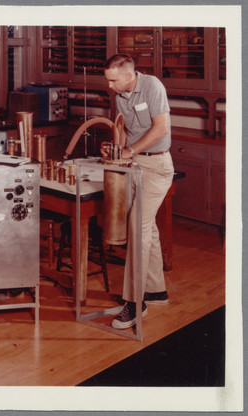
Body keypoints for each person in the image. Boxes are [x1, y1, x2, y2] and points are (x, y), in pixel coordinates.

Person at [102, 54, 174, 329]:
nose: (110, 86)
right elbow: (122, 127)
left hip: (157, 166)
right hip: (133, 165)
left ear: (129, 75)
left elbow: (161, 128)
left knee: (138, 226)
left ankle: (134, 302)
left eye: (113, 80)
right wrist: (116, 149)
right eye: (108, 80)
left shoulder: (153, 86)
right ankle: (156, 291)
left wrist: (130, 150)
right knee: (148, 228)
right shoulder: (120, 95)